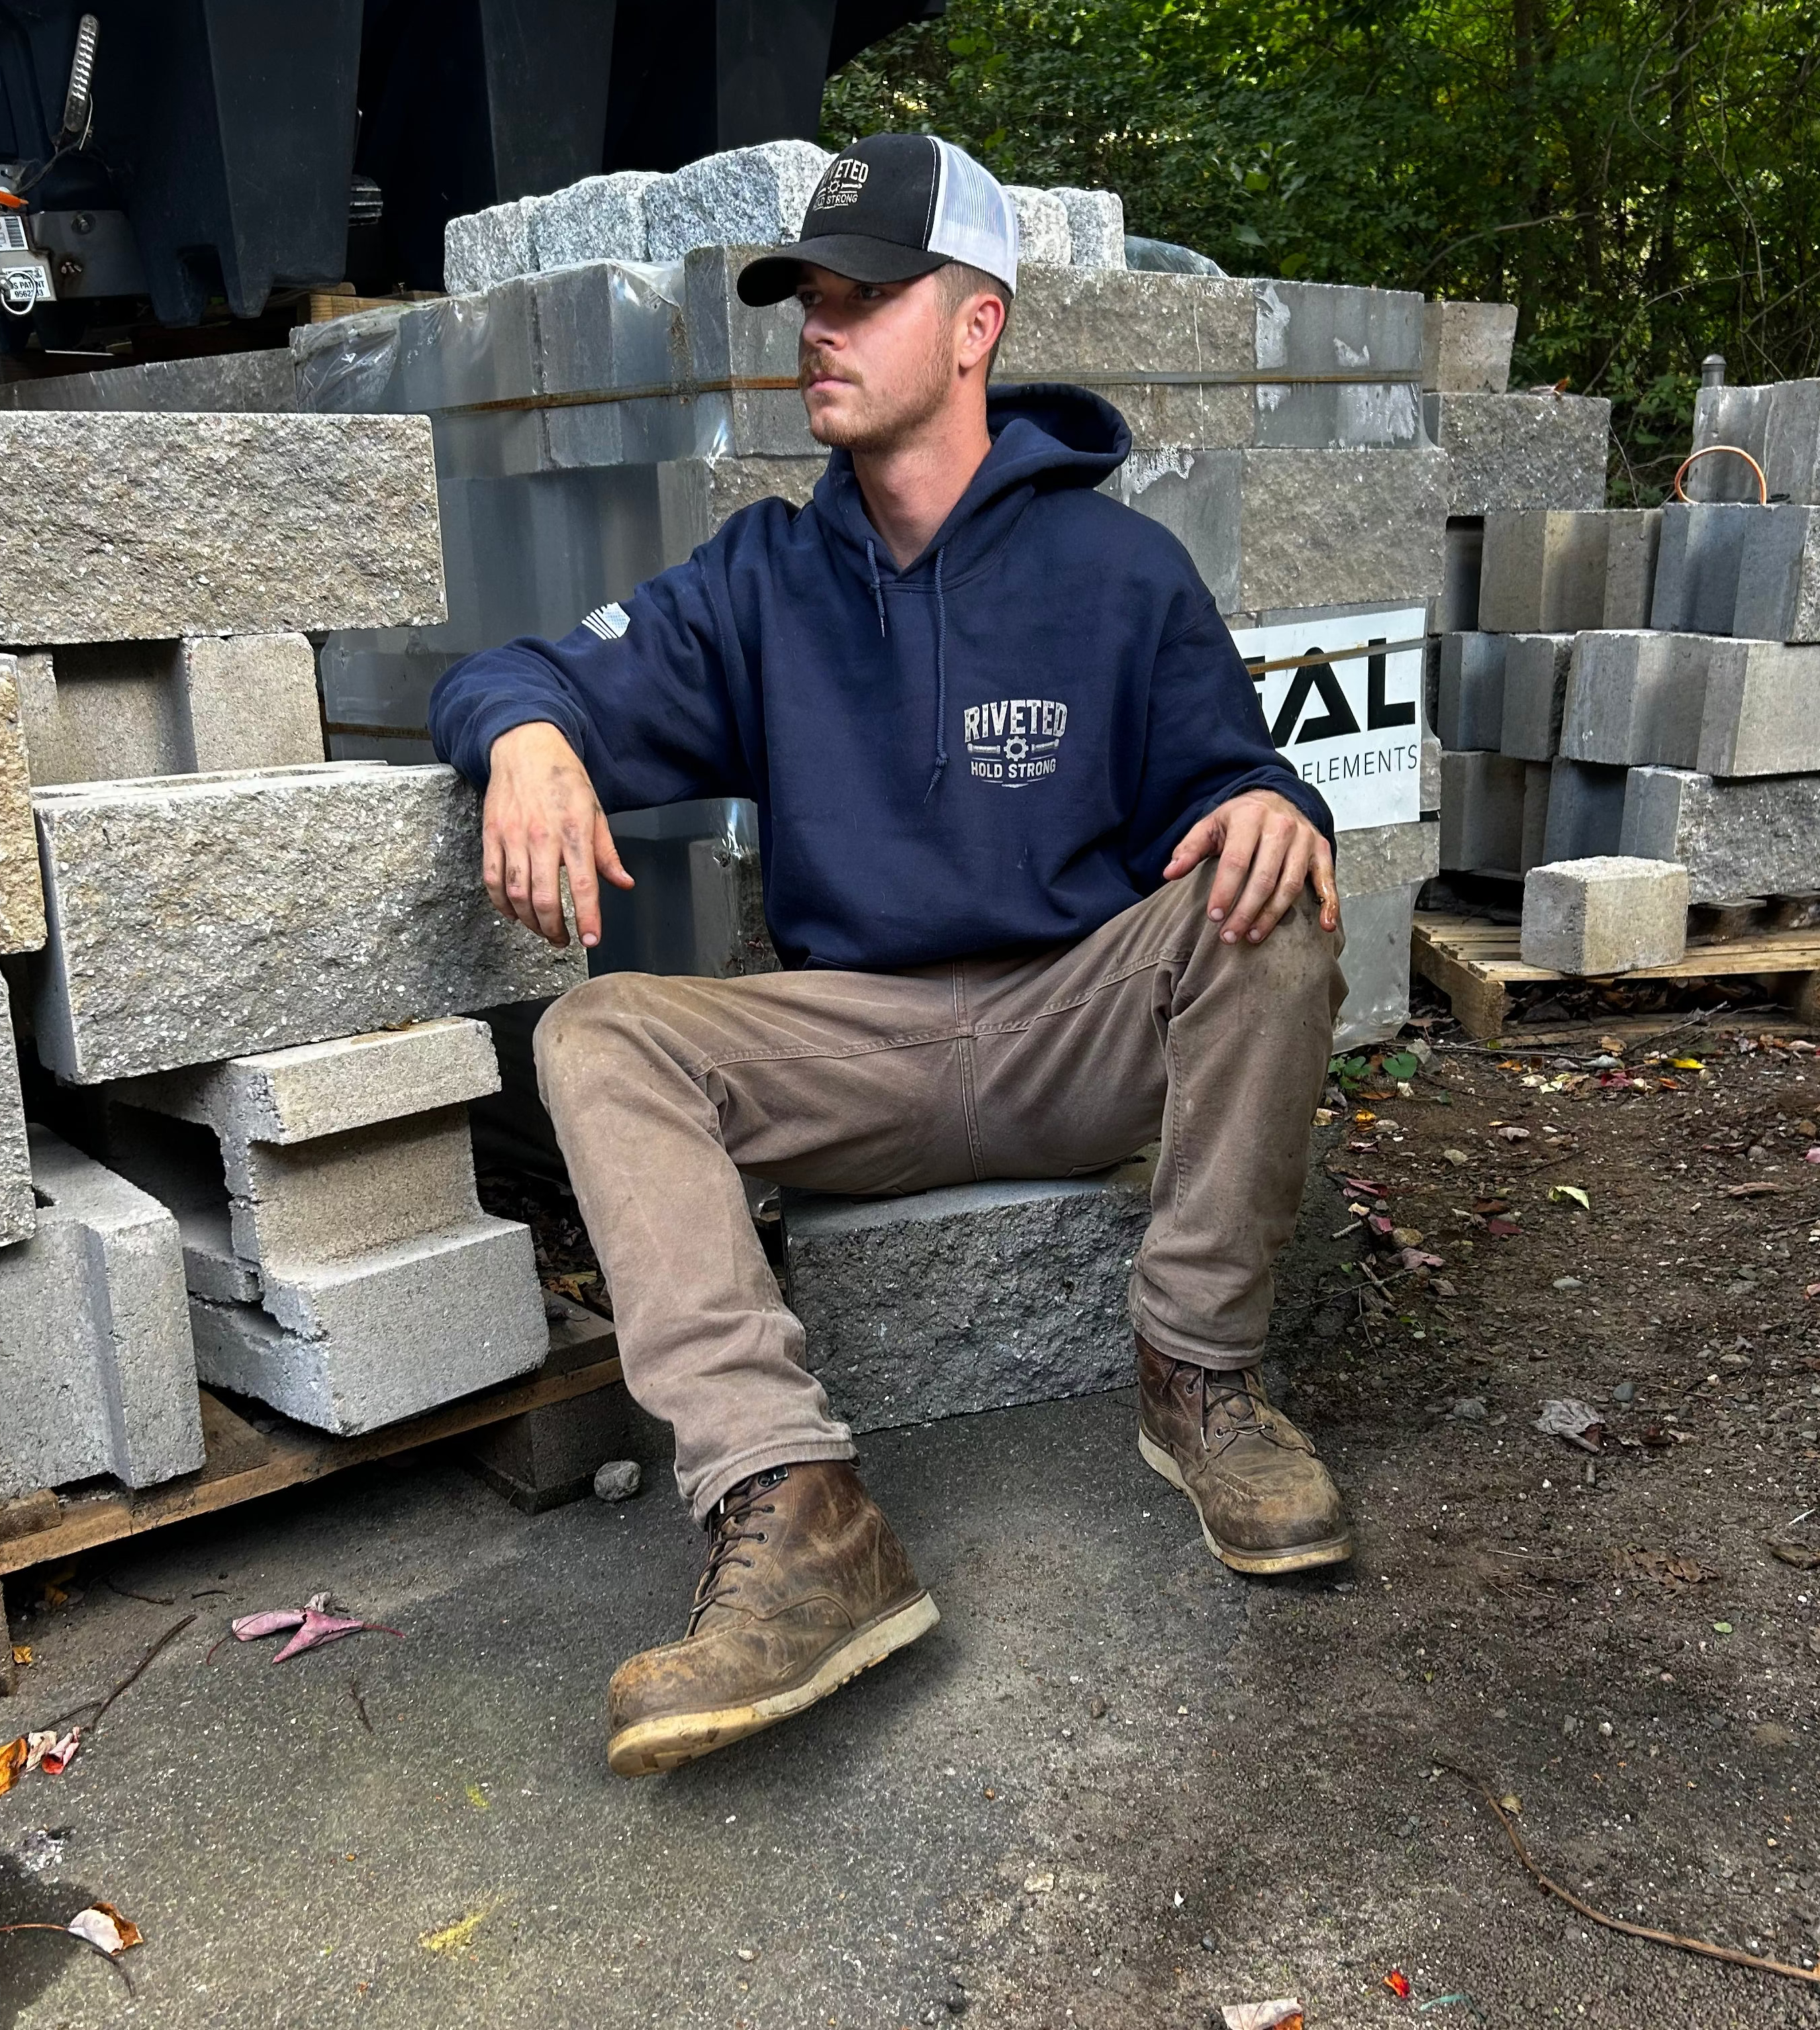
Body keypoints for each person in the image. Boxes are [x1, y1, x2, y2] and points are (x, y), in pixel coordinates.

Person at [430, 133, 1348, 1780]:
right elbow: (517, 668)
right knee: (603, 1035)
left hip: (1080, 1027)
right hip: (854, 1039)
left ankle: (1198, 1380)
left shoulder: (1121, 573)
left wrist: (1281, 805)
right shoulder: (763, 581)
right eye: (809, 296)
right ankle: (799, 1513)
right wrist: (525, 739)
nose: (821, 328)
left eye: (866, 295)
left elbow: (1229, 779)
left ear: (977, 324)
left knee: (1269, 909)